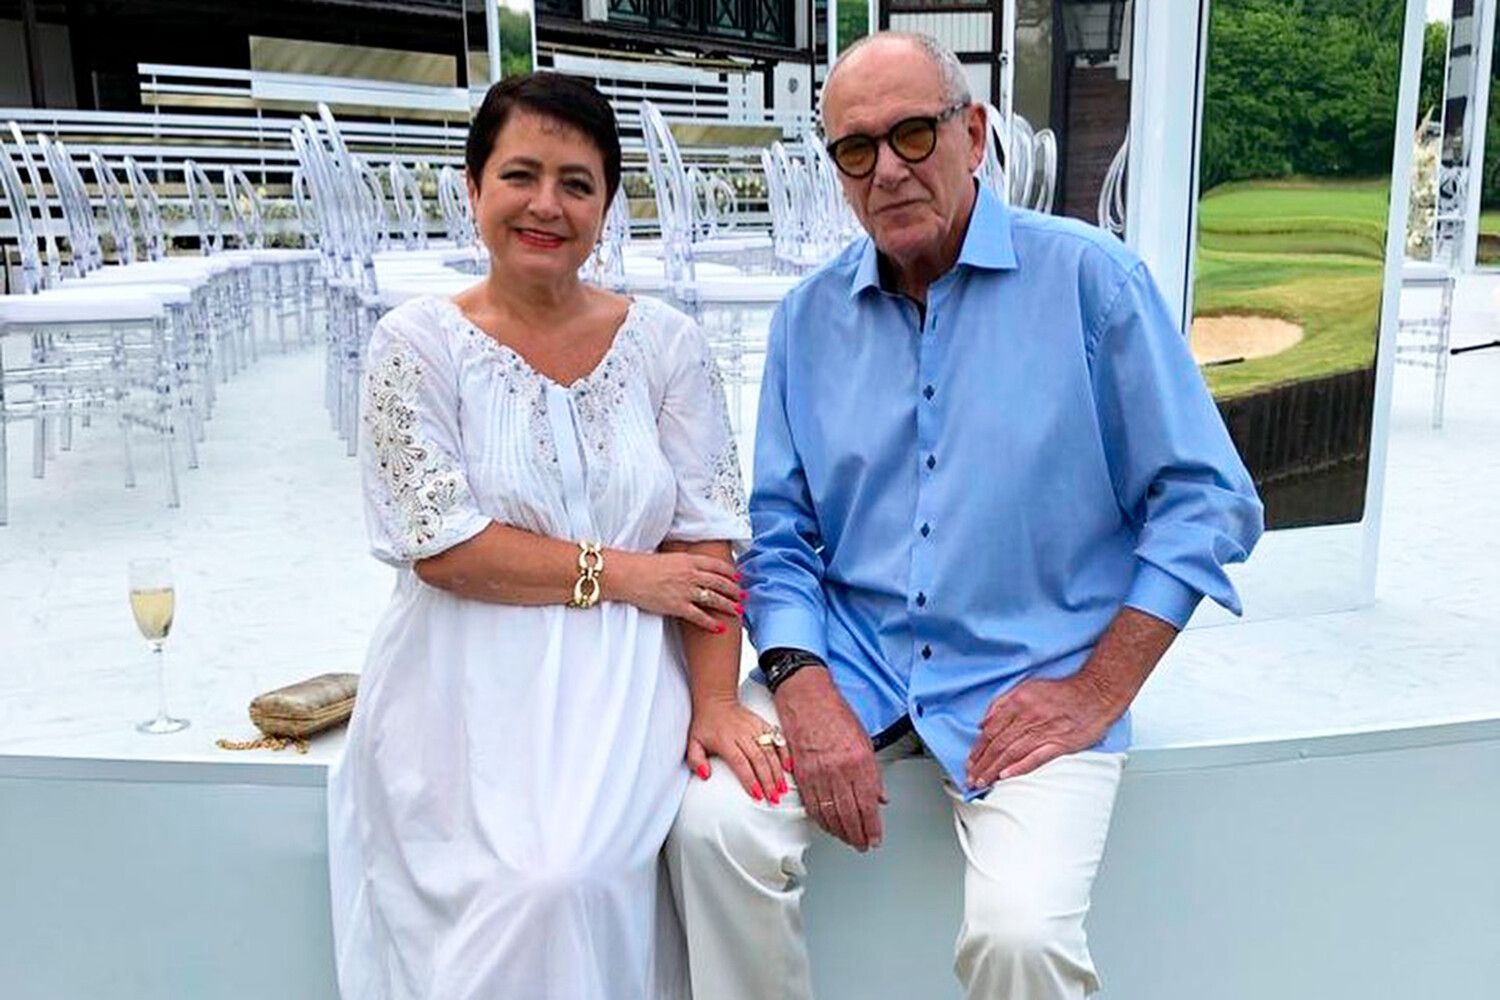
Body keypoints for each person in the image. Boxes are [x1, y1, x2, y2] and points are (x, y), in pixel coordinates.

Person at [666, 32, 1264, 1000]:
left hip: (1035, 672)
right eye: (856, 149)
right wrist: (799, 681)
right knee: (710, 829)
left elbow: (1206, 502)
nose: (887, 169)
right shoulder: (807, 320)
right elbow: (779, 533)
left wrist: (1096, 689)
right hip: (854, 663)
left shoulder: (1093, 282)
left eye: (913, 133)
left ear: (974, 134)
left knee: (1020, 937)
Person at [326, 73, 788, 1000]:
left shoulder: (665, 344)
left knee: (571, 878)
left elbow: (706, 541)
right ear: (473, 187)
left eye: (577, 184)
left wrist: (713, 702)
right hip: (460, 683)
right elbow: (443, 548)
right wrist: (624, 574)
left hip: (623, 683)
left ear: (607, 207)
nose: (547, 205)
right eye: (520, 175)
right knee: (514, 892)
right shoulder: (415, 344)